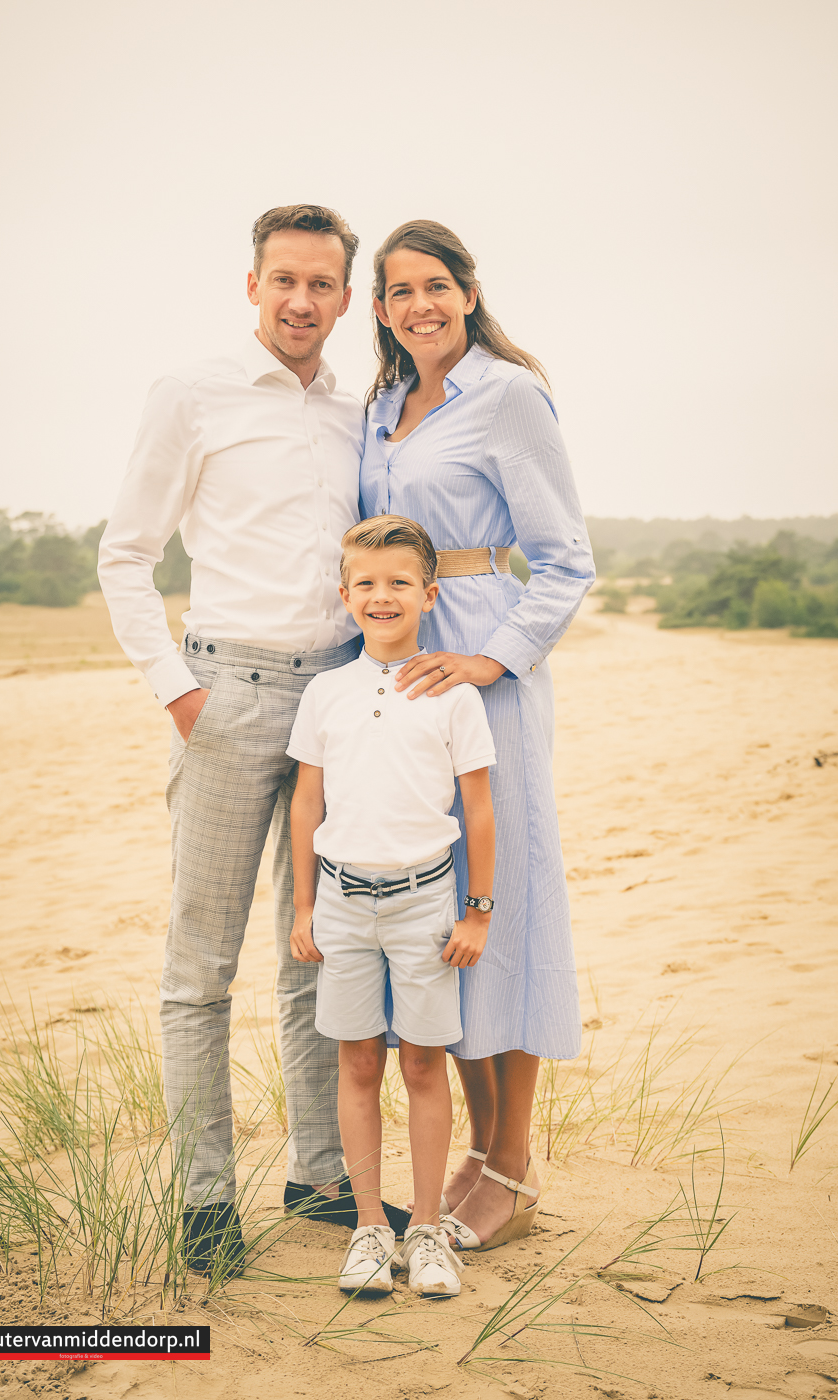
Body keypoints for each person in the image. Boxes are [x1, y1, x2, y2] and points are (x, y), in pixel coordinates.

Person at [97, 204, 409, 1278]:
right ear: (252, 284)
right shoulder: (191, 396)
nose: (300, 302)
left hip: (336, 701)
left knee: (311, 950)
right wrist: (181, 695)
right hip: (226, 693)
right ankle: (204, 1199)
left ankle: (320, 1174)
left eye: (323, 285)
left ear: (347, 298)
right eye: (284, 280)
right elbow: (124, 556)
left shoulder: (358, 407)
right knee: (199, 970)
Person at [359, 220, 596, 1252]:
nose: (422, 304)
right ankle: (481, 1146)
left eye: (438, 285)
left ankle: (513, 1159)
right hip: (399, 674)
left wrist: (492, 659)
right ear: (380, 308)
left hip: (482, 670)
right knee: (433, 902)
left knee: (509, 898)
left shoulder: (508, 392)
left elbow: (567, 559)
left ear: (468, 291)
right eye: (401, 290)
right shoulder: (380, 407)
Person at [287, 516, 497, 1296]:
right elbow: (307, 802)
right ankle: (371, 1226)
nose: (382, 596)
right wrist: (304, 908)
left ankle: (427, 1229)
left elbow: (477, 809)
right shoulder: (325, 692)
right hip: (342, 905)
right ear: (344, 595)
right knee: (356, 1058)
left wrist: (476, 911)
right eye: (366, 583)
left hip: (424, 905)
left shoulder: (451, 695)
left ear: (429, 596)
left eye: (399, 582)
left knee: (422, 1060)